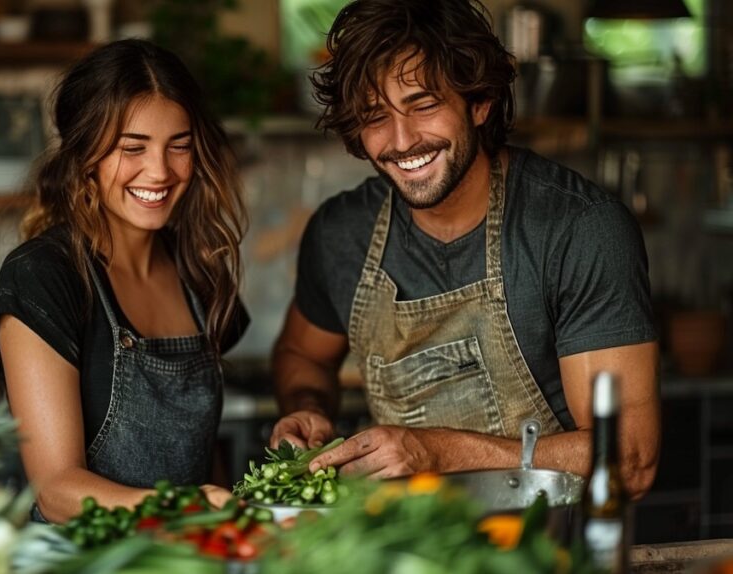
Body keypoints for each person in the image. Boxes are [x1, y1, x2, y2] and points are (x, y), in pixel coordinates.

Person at [269, 0, 660, 498]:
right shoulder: (341, 232)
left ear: (479, 103)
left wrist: (437, 453)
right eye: (374, 116)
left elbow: (630, 459)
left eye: (423, 105)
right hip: (405, 547)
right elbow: (301, 353)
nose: (402, 140)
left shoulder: (579, 230)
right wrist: (308, 407)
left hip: (553, 550)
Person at [0, 39, 248, 523]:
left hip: (184, 554)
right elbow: (57, 491)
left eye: (180, 146)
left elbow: (198, 455)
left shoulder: (200, 270)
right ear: (86, 154)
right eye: (133, 148)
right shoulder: (44, 277)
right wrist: (184, 508)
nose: (160, 171)